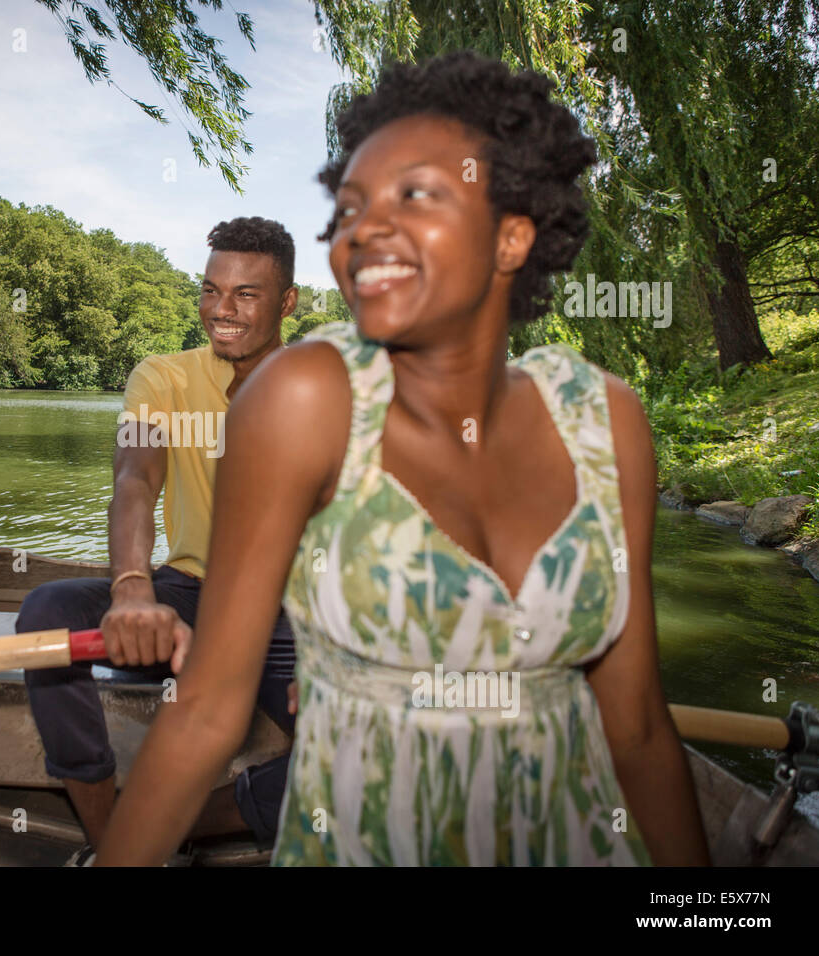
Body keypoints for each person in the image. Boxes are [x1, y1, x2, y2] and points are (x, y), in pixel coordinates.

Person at [96, 51, 710, 866]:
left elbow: (634, 727)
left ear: (511, 236)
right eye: (351, 209)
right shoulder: (302, 397)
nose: (366, 230)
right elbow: (206, 710)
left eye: (415, 196)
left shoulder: (607, 420)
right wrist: (131, 585)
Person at [16, 216, 301, 865]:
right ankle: (110, 844)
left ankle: (157, 831)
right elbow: (135, 480)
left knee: (359, 751)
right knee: (47, 615)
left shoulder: (318, 384)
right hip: (190, 595)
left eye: (245, 295)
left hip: (292, 611)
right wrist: (132, 587)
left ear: (286, 302)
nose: (220, 311)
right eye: (210, 290)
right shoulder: (163, 378)